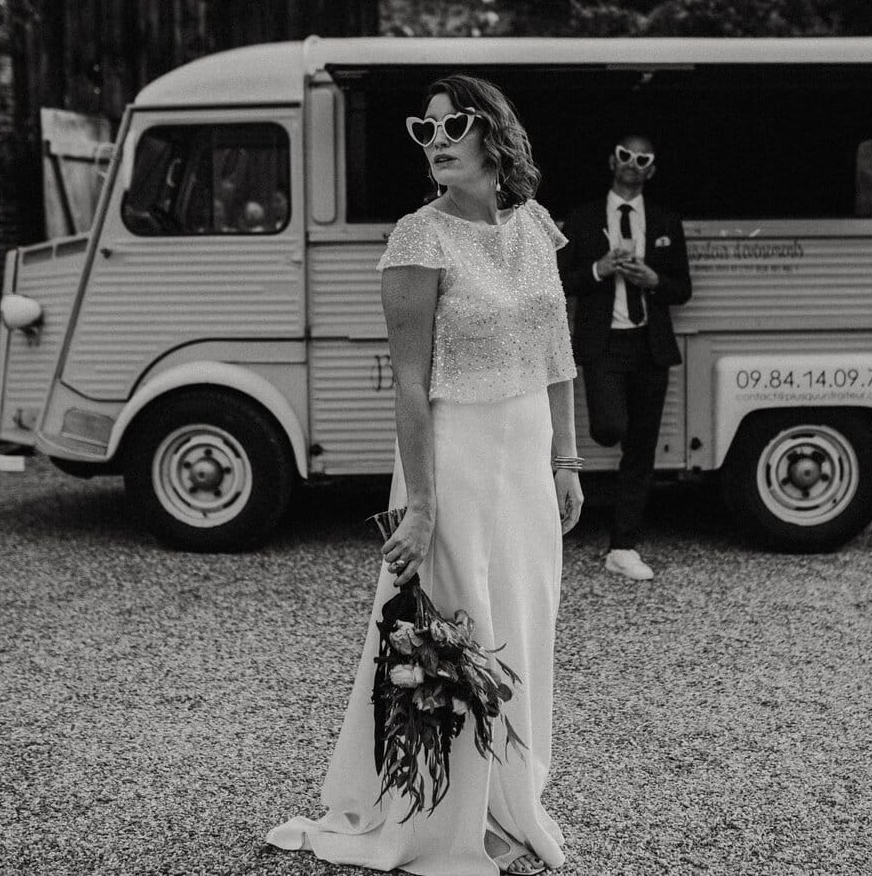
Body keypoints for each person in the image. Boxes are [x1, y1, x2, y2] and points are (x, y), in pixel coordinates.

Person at [267, 75, 583, 876]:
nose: (436, 139)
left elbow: (556, 356)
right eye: (424, 128)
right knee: (460, 628)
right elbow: (409, 381)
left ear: (493, 133)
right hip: (457, 457)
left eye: (453, 124)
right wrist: (420, 505)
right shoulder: (419, 237)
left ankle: (511, 799)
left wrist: (567, 459)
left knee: (524, 620)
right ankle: (443, 817)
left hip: (526, 454)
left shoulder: (535, 226)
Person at [557, 135, 691, 581]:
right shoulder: (582, 218)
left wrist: (653, 278)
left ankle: (622, 546)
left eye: (643, 159)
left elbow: (682, 289)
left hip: (650, 346)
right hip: (603, 346)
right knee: (610, 427)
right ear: (611, 161)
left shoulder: (667, 220)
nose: (633, 164)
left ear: (651, 170)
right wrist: (602, 269)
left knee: (641, 449)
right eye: (625, 155)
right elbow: (562, 282)